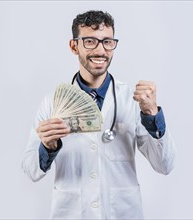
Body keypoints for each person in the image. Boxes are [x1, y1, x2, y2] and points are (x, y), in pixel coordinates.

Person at [22, 10, 176, 219]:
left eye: (107, 42)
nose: (100, 50)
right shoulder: (51, 104)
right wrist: (47, 147)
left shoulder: (132, 100)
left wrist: (151, 114)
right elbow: (31, 170)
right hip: (72, 212)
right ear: (74, 46)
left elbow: (164, 165)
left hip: (122, 211)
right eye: (90, 42)